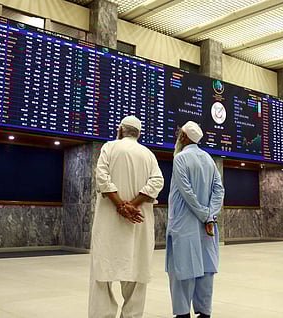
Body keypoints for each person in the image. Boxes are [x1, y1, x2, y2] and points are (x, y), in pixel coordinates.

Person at [89, 115, 164, 318]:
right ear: (138, 133)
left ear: (120, 129)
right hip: (137, 222)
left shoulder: (109, 147)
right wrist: (133, 204)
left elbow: (102, 177)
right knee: (136, 273)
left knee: (101, 273)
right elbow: (157, 182)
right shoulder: (148, 154)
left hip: (108, 224)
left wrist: (120, 205)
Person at [166, 121, 225, 318]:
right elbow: (219, 190)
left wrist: (202, 213)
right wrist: (210, 214)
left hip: (185, 224)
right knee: (206, 270)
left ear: (183, 137)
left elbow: (186, 192)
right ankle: (204, 312)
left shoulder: (180, 159)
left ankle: (182, 313)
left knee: (183, 269)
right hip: (207, 225)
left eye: (179, 134)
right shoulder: (209, 159)